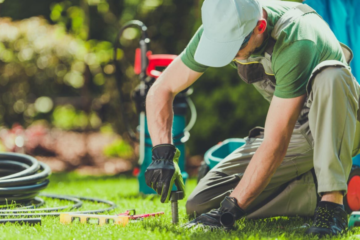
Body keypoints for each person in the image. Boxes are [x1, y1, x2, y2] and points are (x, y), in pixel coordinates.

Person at [144, 0, 360, 237]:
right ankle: (340, 185)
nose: (231, 55)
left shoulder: (297, 38)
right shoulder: (221, 25)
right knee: (201, 204)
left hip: (340, 126)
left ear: (260, 26)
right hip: (297, 130)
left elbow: (276, 142)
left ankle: (332, 204)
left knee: (331, 75)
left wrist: (230, 209)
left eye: (235, 46)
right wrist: (162, 152)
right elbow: (161, 89)